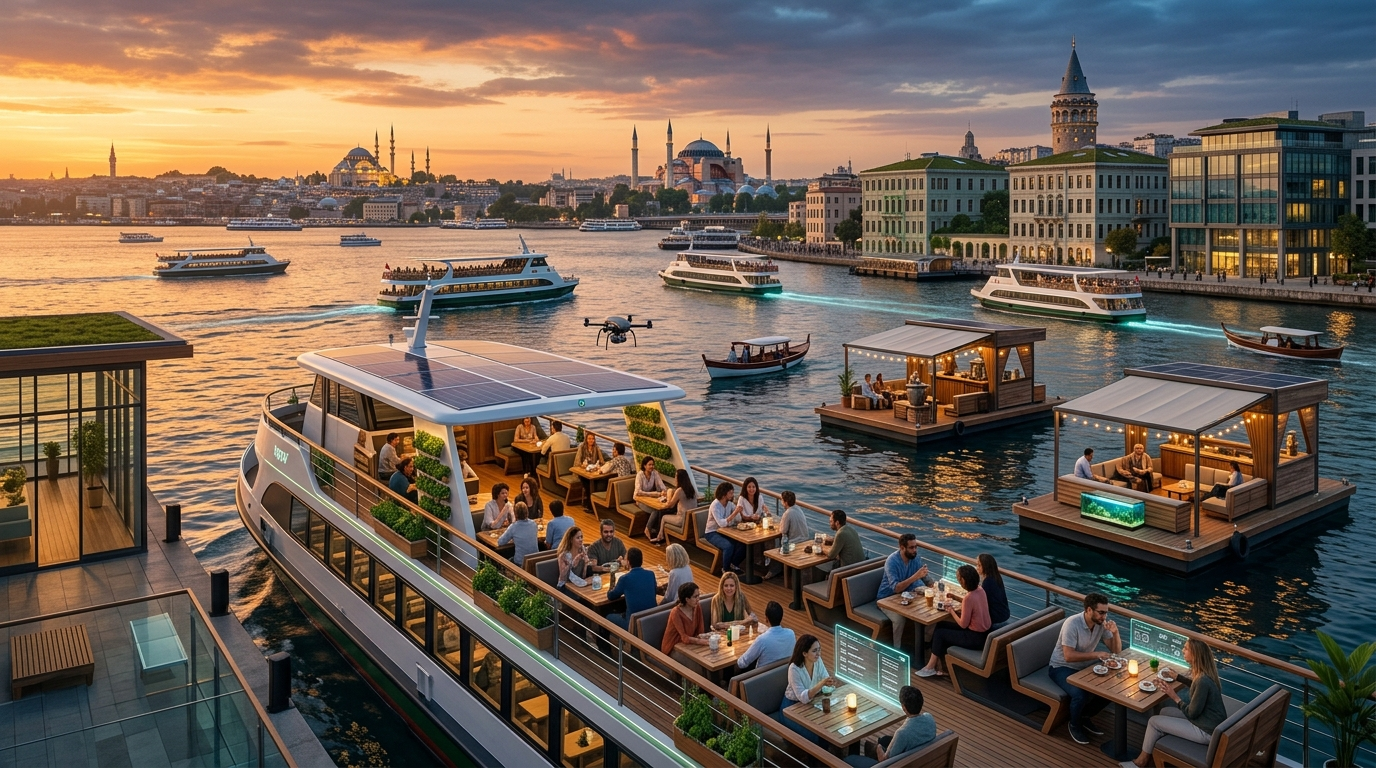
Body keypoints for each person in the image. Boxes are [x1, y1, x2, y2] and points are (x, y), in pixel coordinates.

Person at [1130, 638, 1228, 767]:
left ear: (1195, 654)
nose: (1183, 650)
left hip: (1205, 731)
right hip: (1211, 724)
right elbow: (1197, 688)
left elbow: (1191, 713)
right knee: (1164, 711)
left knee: (1153, 721)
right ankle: (1162, 745)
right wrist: (1178, 677)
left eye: (1186, 648)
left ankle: (1141, 761)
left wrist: (1173, 695)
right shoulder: (1206, 675)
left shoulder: (1202, 681)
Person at [1049, 592, 1123, 744]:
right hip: (1061, 667)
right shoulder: (1072, 624)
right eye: (1101, 612)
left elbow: (1116, 652)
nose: (1104, 616)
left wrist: (1115, 633)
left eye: (1106, 613)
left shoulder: (1100, 624)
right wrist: (1096, 654)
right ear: (1089, 610)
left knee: (1110, 689)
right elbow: (1068, 656)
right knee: (1080, 694)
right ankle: (1074, 724)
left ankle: (1083, 716)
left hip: (1084, 667)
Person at [916, 565, 990, 678]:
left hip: (974, 638)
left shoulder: (968, 598)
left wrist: (951, 610)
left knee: (940, 634)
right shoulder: (981, 590)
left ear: (963, 581)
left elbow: (962, 624)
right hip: (984, 635)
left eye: (959, 578)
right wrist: (955, 597)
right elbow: (972, 606)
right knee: (941, 624)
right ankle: (939, 665)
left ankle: (930, 667)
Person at [878, 534, 936, 647]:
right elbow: (896, 588)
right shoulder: (892, 562)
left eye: (916, 547)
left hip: (907, 596)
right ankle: (897, 650)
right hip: (887, 598)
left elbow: (926, 578)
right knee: (899, 619)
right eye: (911, 548)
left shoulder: (915, 558)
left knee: (932, 611)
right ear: (902, 547)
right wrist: (915, 577)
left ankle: (925, 643)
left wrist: (935, 587)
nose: (915, 550)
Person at [782, 634, 837, 743]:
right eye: (814, 651)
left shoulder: (818, 661)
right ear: (804, 653)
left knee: (831, 728)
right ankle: (815, 759)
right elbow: (803, 697)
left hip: (812, 702)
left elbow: (825, 678)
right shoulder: (794, 669)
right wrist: (822, 684)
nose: (818, 654)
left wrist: (829, 683)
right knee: (815, 736)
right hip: (792, 708)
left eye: (819, 650)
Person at [868, 685, 936, 762]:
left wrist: (878, 747)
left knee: (872, 747)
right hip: (925, 758)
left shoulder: (902, 733)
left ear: (904, 707)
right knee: (884, 740)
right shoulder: (929, 718)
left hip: (908, 762)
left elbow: (885, 760)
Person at [607, 547, 657, 630]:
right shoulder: (651, 574)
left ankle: (603, 643)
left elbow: (611, 596)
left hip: (633, 624)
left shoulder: (625, 578)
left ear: (628, 562)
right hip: (650, 620)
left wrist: (612, 581)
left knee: (607, 616)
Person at [737, 601, 794, 671]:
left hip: (762, 678)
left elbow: (742, 663)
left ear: (767, 619)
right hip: (784, 673)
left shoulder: (762, 639)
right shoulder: (791, 634)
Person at [704, 482, 745, 574]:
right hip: (712, 532)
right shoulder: (715, 505)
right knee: (728, 546)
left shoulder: (729, 504)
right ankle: (725, 569)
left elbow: (738, 517)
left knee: (742, 544)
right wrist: (734, 513)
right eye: (730, 493)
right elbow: (721, 523)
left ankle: (734, 564)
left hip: (724, 532)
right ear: (724, 494)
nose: (732, 495)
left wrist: (740, 512)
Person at [647, 469, 695, 545]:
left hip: (681, 520)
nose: (675, 478)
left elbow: (670, 505)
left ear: (679, 478)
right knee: (667, 513)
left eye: (676, 476)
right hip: (691, 520)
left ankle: (660, 536)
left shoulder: (679, 490)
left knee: (663, 517)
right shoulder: (692, 489)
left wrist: (669, 492)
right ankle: (660, 535)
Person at [662, 582, 708, 657]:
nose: (698, 599)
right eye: (695, 597)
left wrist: (704, 639)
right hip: (673, 647)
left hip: (690, 644)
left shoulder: (697, 606)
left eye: (698, 596)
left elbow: (700, 629)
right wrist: (700, 641)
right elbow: (684, 637)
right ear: (687, 599)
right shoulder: (676, 612)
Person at [497, 502, 540, 566]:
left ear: (515, 514)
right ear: (527, 512)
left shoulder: (514, 527)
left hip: (520, 562)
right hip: (535, 559)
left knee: (505, 562)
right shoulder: (533, 524)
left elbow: (500, 542)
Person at [978, 553, 1010, 629]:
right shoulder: (997, 577)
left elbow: (981, 603)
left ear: (985, 567)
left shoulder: (987, 582)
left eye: (979, 565)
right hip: (1004, 615)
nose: (977, 568)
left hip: (996, 621)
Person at [556, 526, 589, 594]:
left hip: (577, 586)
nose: (581, 540)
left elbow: (583, 576)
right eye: (578, 538)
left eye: (581, 537)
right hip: (564, 587)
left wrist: (585, 564)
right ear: (571, 540)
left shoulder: (583, 551)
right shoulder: (564, 556)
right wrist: (572, 564)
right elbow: (564, 578)